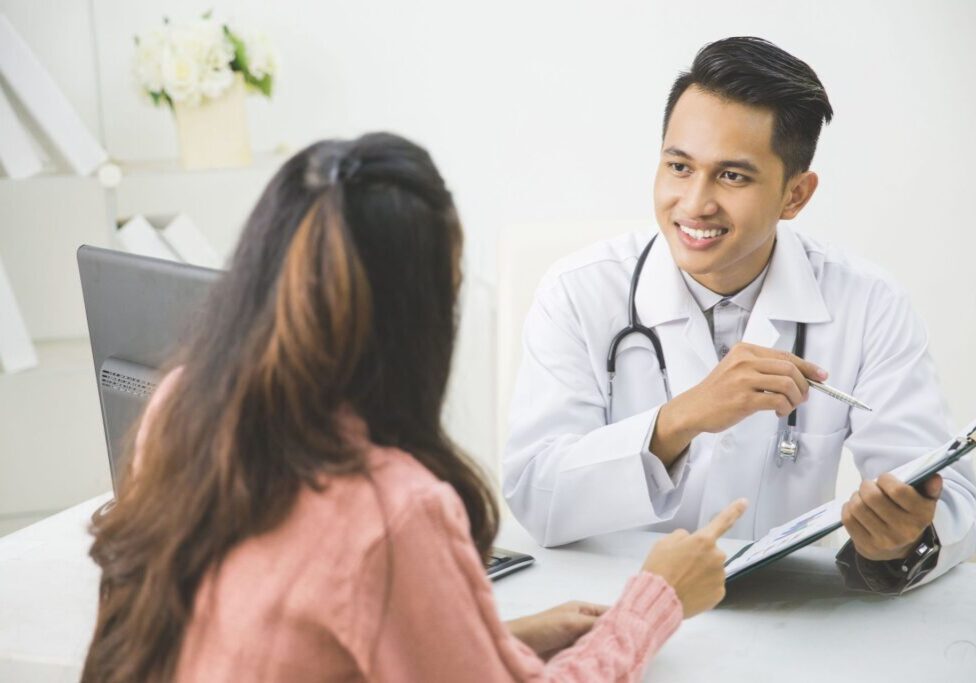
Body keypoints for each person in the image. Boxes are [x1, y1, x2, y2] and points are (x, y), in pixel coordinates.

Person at [81, 133, 745, 683]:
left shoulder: (182, 406)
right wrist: (655, 598)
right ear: (416, 317)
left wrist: (491, 636)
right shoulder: (393, 508)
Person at [503, 37, 976, 593]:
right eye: (679, 166)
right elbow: (535, 492)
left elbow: (948, 499)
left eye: (733, 176)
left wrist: (897, 543)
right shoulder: (577, 291)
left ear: (795, 195)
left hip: (783, 617)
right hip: (608, 601)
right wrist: (682, 418)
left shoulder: (870, 304)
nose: (695, 202)